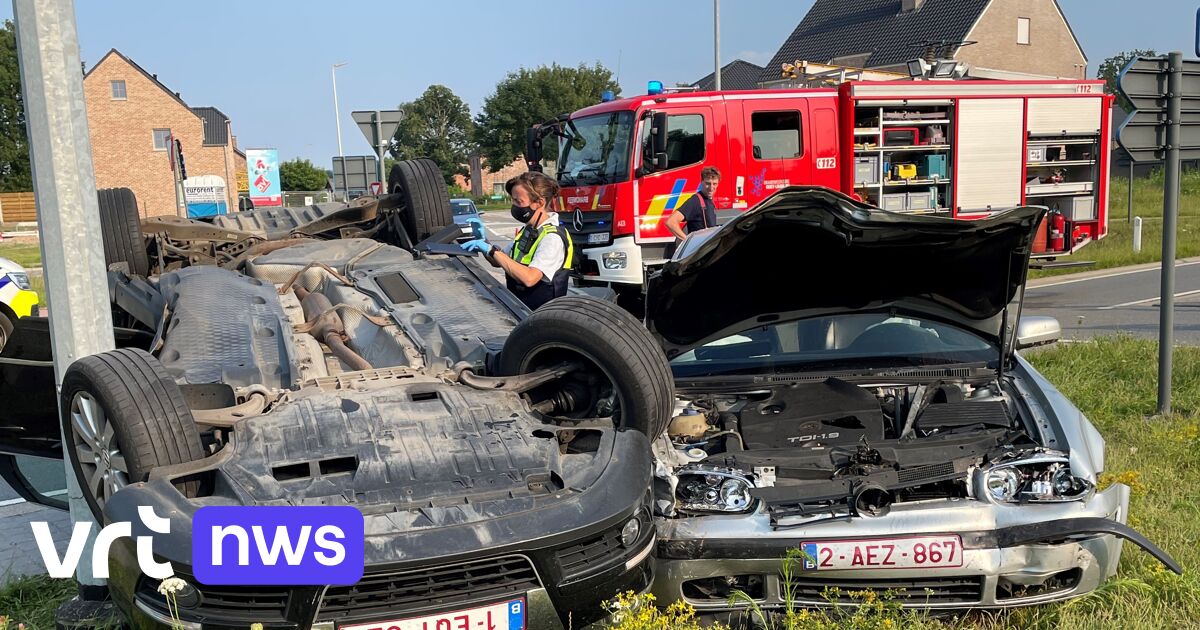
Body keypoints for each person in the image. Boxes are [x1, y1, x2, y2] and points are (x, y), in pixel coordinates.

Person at [460, 172, 574, 310]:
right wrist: (485, 242)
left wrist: (492, 251)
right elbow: (499, 261)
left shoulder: (552, 238)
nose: (514, 206)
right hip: (521, 310)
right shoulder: (528, 230)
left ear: (539, 203)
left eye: (519, 201)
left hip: (542, 318)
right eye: (513, 200)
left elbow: (529, 278)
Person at [665, 166, 721, 242]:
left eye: (714, 184)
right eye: (708, 183)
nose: (711, 188)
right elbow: (671, 222)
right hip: (699, 250)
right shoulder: (695, 201)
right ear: (701, 182)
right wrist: (688, 242)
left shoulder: (709, 201)